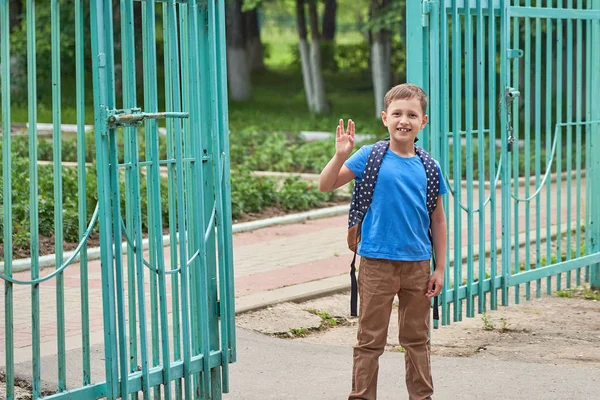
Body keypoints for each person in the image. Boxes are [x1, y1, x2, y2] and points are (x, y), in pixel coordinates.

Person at [318, 83, 448, 400]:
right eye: (397, 114)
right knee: (369, 340)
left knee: (417, 339)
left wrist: (440, 268)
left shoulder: (429, 167)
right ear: (384, 118)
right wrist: (339, 155)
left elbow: (438, 220)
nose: (404, 120)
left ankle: (421, 396)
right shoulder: (369, 156)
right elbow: (326, 185)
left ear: (423, 121)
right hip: (376, 263)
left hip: (417, 265)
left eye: (412, 115)